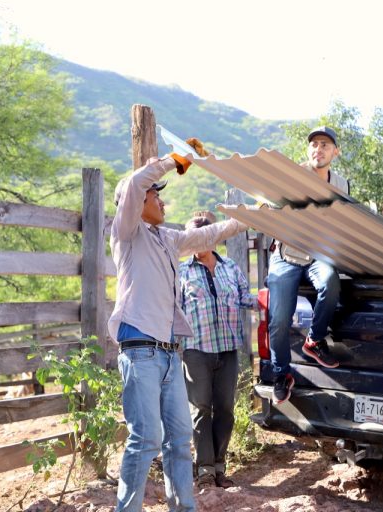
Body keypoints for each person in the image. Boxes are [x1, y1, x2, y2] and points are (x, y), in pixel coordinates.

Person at [108, 151, 248, 512]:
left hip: (170, 354)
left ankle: (184, 507)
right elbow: (134, 183)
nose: (162, 202)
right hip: (140, 350)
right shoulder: (127, 232)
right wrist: (173, 160)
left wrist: (247, 217)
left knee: (180, 439)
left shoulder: (167, 238)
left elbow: (209, 234)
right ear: (138, 201)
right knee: (146, 439)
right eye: (156, 195)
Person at [267, 126, 350, 404]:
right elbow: (272, 209)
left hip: (317, 256)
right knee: (279, 320)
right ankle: (281, 374)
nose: (318, 149)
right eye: (314, 144)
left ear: (335, 152)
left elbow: (344, 222)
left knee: (330, 282)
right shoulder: (293, 177)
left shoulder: (341, 185)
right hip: (287, 254)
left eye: (325, 145)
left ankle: (314, 340)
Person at [178, 211, 256, 490]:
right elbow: (174, 310)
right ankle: (205, 471)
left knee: (225, 409)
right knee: (201, 408)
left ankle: (219, 467)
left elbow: (246, 298)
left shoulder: (230, 267)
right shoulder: (182, 272)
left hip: (227, 349)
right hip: (196, 350)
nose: (196, 242)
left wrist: (270, 300)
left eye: (201, 236)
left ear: (213, 237)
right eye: (191, 238)